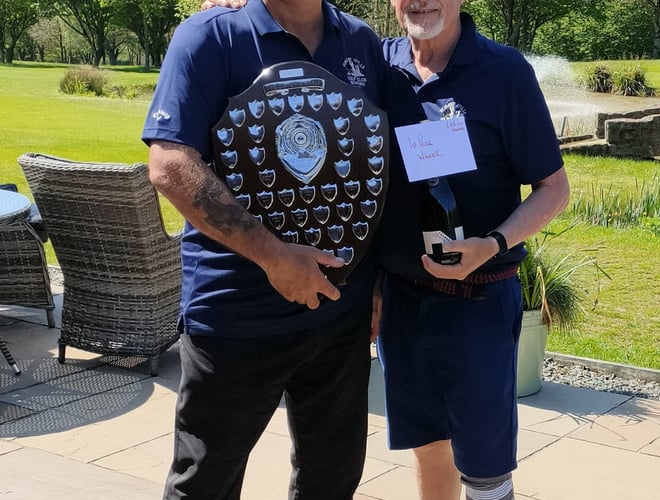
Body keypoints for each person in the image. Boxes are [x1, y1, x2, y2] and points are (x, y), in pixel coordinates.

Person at [204, 1, 569, 498]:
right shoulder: (376, 64)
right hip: (403, 302)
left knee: (485, 471)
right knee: (429, 449)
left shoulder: (504, 72)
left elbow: (554, 188)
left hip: (478, 299)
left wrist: (494, 243)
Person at [141, 1, 394, 498]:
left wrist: (379, 281)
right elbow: (170, 164)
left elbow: (377, 163)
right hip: (237, 316)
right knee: (205, 483)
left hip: (341, 313)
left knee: (332, 477)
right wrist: (274, 256)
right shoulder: (211, 35)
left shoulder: (360, 41)